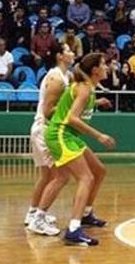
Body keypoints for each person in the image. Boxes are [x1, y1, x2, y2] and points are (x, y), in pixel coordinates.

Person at [35, 53, 116, 246]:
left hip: (68, 135)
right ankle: (73, 229)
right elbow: (72, 118)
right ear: (95, 70)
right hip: (61, 134)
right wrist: (99, 135)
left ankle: (84, 214)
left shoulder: (87, 88)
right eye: (104, 64)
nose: (107, 67)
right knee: (85, 177)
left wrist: (97, 102)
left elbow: (75, 105)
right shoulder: (84, 88)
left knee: (98, 171)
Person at [25, 44, 74, 234]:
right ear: (59, 56)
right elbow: (48, 111)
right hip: (44, 130)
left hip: (41, 130)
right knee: (61, 176)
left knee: (46, 176)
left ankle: (32, 213)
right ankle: (39, 219)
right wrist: (71, 113)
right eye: (68, 50)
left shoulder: (65, 76)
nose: (72, 53)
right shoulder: (55, 79)